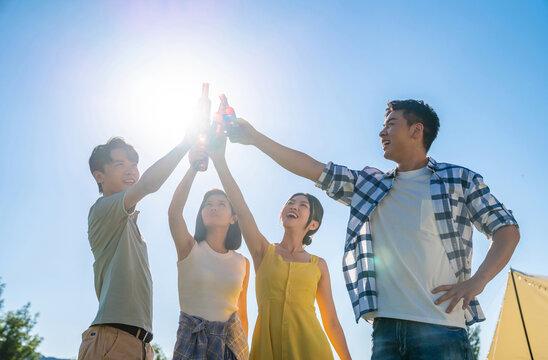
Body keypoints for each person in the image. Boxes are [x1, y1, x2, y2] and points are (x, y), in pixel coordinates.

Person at [230, 99, 520, 359]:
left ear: (417, 131)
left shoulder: (458, 179)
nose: (382, 133)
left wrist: (477, 282)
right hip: (386, 336)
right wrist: (254, 138)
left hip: (442, 331)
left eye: (390, 125)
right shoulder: (370, 186)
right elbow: (312, 168)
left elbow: (506, 229)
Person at [205, 136, 352, 360]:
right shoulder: (263, 251)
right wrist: (219, 161)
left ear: (313, 225)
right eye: (291, 202)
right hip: (267, 352)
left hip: (313, 352)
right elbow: (242, 210)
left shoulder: (318, 265)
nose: (294, 206)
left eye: (303, 205)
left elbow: (330, 321)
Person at [79, 133, 196, 360]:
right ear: (99, 176)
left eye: (134, 164)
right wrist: (185, 144)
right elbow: (149, 184)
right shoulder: (102, 210)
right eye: (120, 164)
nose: (131, 169)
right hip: (112, 338)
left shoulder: (129, 223)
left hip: (140, 344)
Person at [167, 148, 250, 360]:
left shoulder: (242, 263)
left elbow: (242, 312)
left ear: (233, 218)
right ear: (201, 214)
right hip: (192, 341)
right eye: (207, 205)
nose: (213, 207)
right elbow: (174, 213)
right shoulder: (189, 247)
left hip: (232, 345)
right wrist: (193, 168)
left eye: (221, 204)